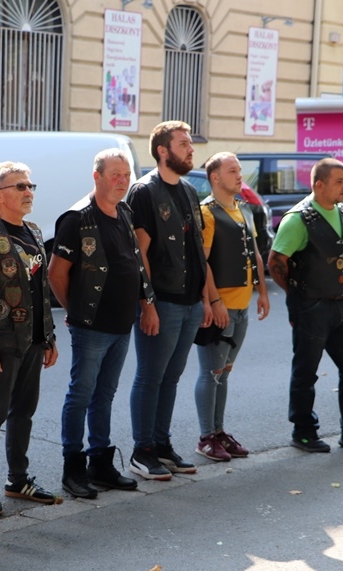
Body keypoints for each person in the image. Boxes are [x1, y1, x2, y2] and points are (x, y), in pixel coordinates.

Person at [268, 157, 343, 453]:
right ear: (319, 185)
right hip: (311, 306)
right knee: (306, 372)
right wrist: (297, 298)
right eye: (339, 181)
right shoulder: (298, 220)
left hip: (341, 304)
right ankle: (303, 431)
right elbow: (275, 262)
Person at [48, 149, 152, 498]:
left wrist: (147, 305)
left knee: (104, 395)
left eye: (126, 175)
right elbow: (56, 274)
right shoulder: (76, 219)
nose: (122, 181)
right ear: (97, 176)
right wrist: (76, 311)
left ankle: (101, 463)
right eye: (115, 174)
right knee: (81, 395)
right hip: (91, 327)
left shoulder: (124, 211)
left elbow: (136, 263)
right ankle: (73, 468)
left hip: (122, 324)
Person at [0, 162, 59, 515]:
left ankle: (18, 480)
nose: (28, 192)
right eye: (19, 186)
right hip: (2, 342)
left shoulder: (34, 231)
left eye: (30, 186)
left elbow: (41, 288)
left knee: (24, 413)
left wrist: (48, 337)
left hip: (33, 340)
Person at [125, 121, 210, 481]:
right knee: (150, 376)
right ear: (163, 151)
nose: (191, 149)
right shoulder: (144, 192)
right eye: (184, 144)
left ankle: (161, 444)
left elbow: (197, 250)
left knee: (171, 377)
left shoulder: (189, 190)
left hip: (190, 302)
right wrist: (147, 304)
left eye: (190, 143)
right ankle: (142, 451)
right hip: (162, 302)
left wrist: (206, 299)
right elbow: (140, 253)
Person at [193, 152, 270, 461]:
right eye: (232, 171)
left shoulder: (243, 209)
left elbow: (255, 253)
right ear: (215, 177)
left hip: (242, 307)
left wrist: (262, 292)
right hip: (221, 307)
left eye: (240, 171)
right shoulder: (207, 213)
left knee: (224, 373)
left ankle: (219, 431)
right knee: (211, 373)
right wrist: (213, 302)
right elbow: (203, 262)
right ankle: (205, 437)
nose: (240, 176)